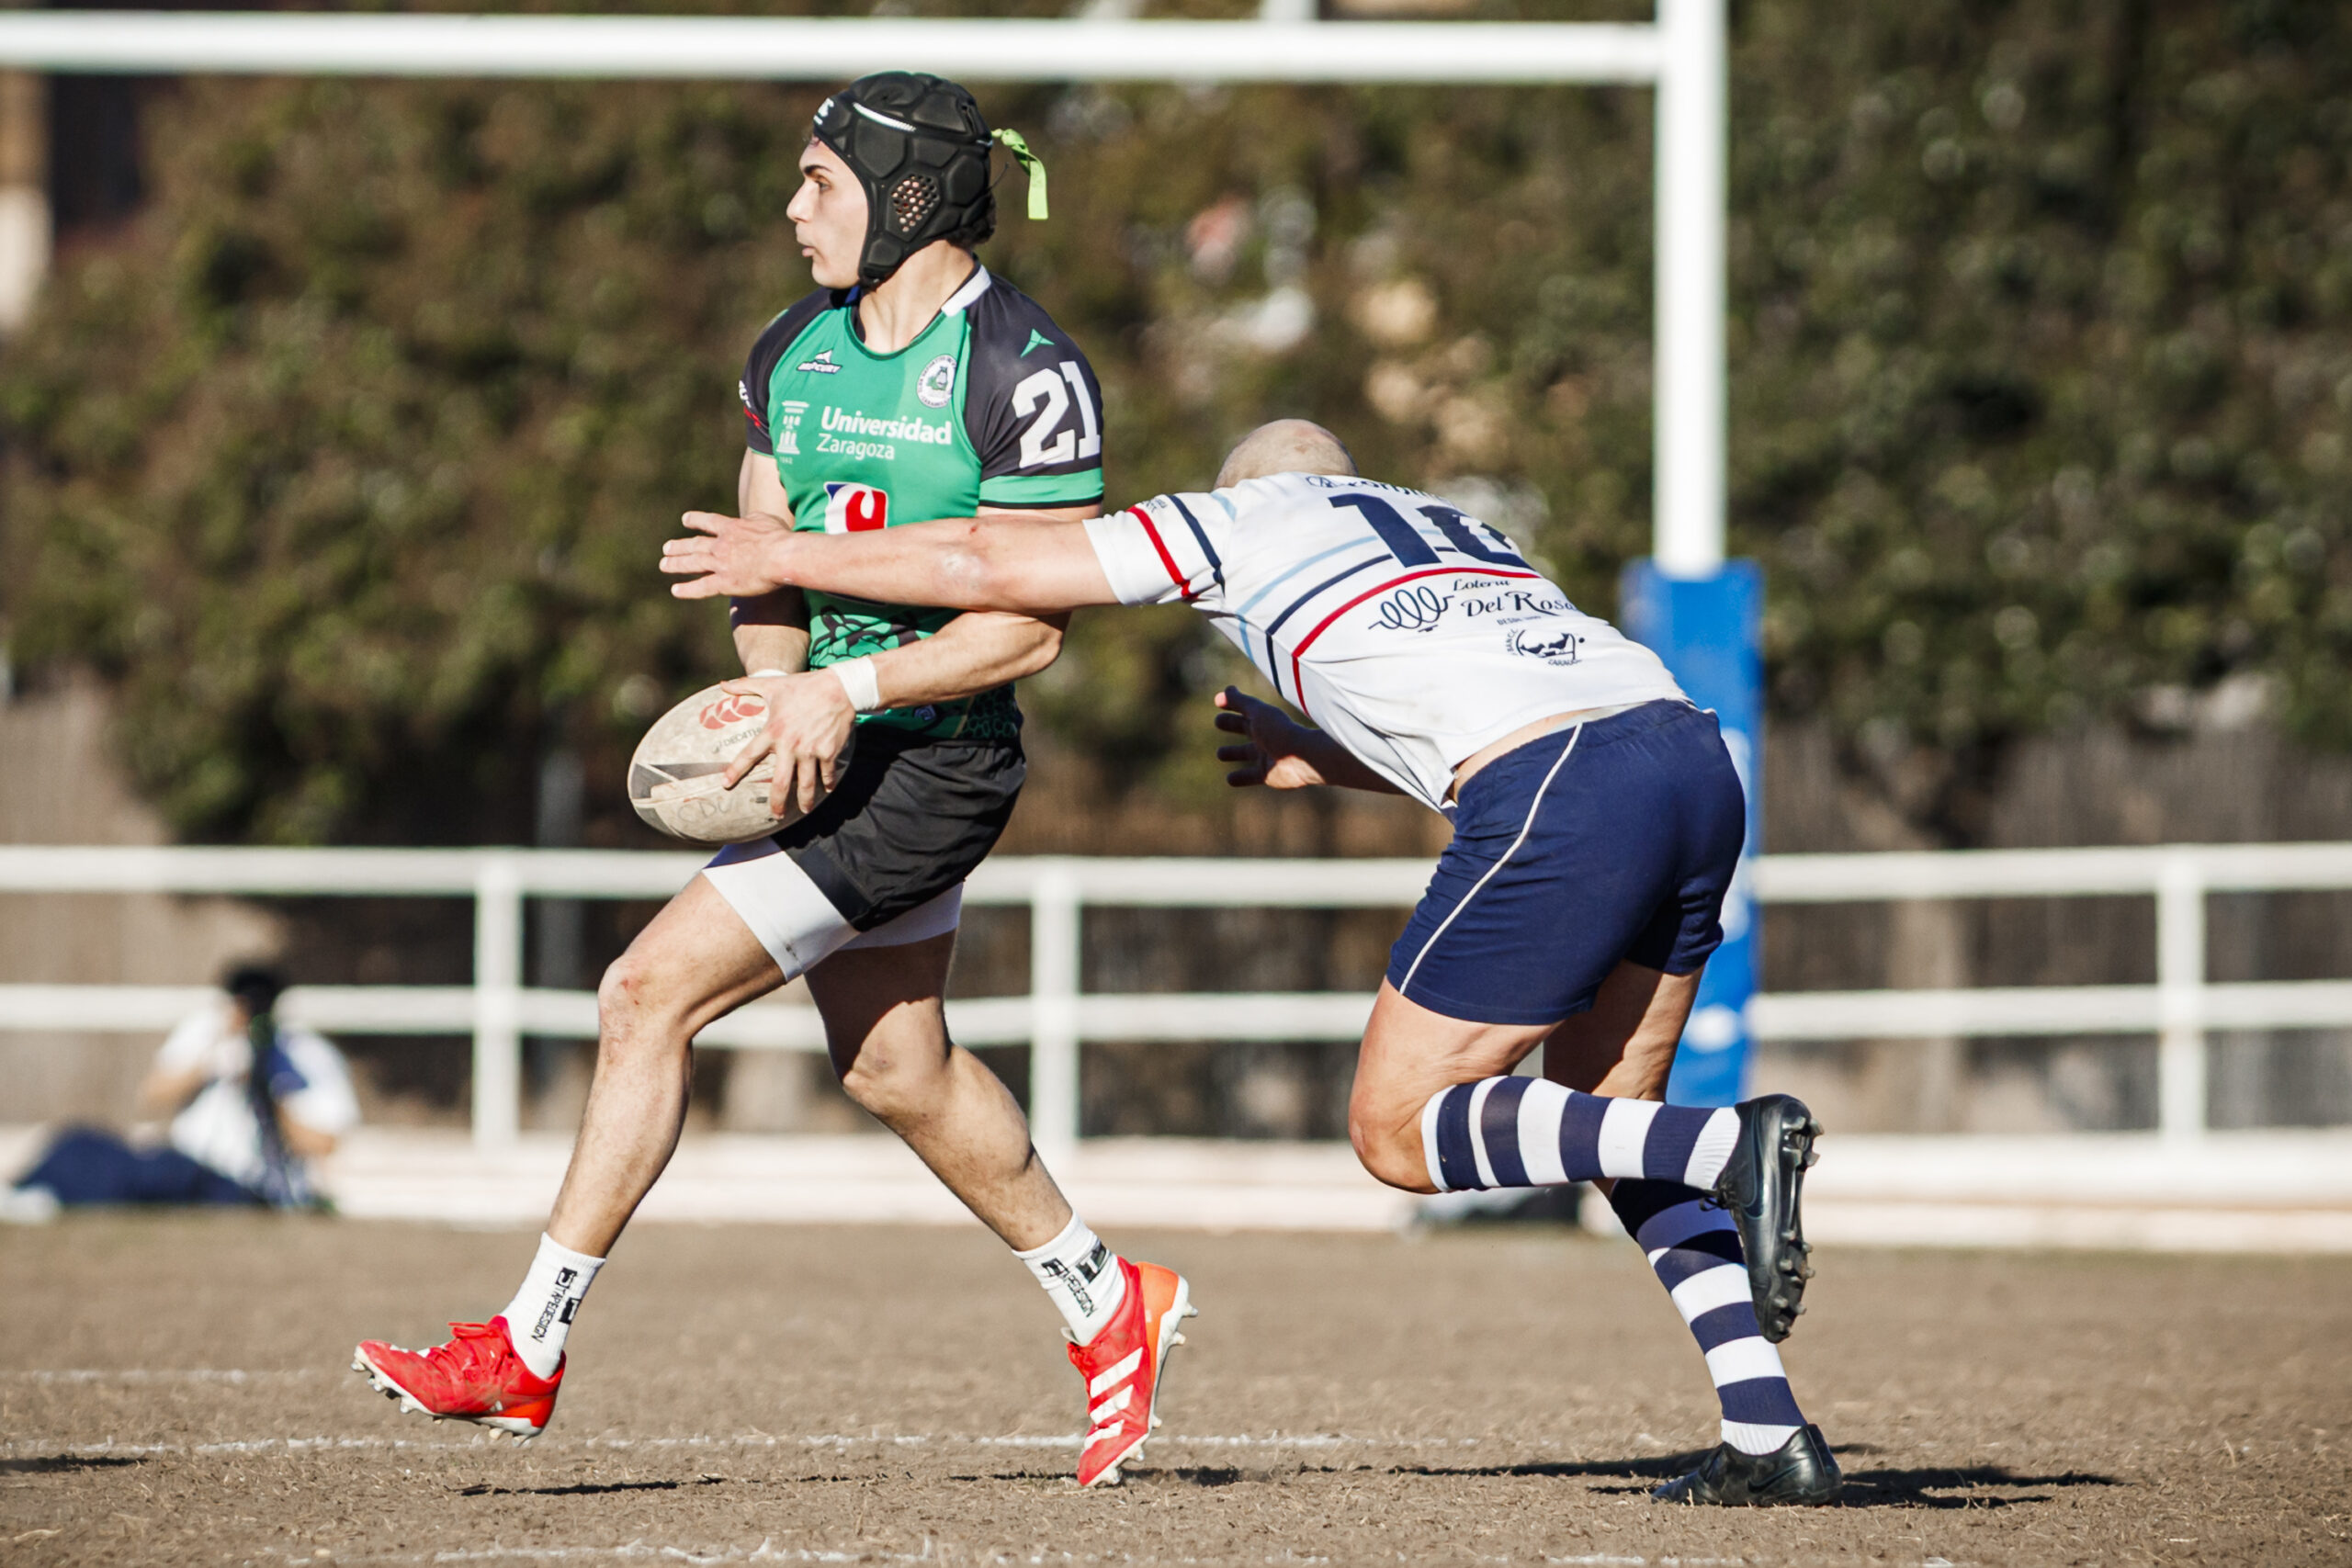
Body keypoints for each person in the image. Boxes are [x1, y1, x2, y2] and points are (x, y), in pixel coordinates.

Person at [660, 418, 1842, 1507]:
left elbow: (987, 565)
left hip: (1568, 787)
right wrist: (1329, 755)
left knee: (1399, 1131)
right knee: (1603, 1119)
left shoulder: (1246, 518)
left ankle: (1727, 1143)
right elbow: (1506, 717)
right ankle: (1764, 1430)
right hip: (1688, 762)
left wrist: (790, 551)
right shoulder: (1460, 526)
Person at [354, 73, 1192, 1490]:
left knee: (642, 990)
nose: (792, 206)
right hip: (827, 741)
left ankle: (529, 1341)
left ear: (910, 195)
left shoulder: (1025, 373)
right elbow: (763, 560)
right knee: (897, 1066)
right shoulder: (792, 350)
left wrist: (842, 689)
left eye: (821, 180)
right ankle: (1113, 1297)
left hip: (933, 760)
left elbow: (1029, 624)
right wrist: (771, 683)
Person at [3, 964, 357, 1221]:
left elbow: (324, 1143)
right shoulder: (210, 1034)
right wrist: (214, 1059)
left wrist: (269, 1084)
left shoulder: (304, 1054)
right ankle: (27, 1190)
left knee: (142, 1175)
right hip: (183, 1159)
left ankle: (43, 1198)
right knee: (81, 1141)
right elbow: (153, 1093)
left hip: (237, 1182)